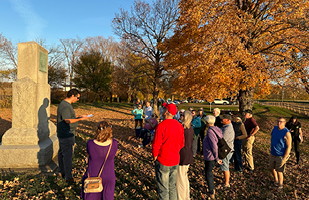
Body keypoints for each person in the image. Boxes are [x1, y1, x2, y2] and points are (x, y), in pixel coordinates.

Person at [152, 102, 185, 200]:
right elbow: (182, 143)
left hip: (163, 159)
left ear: (166, 112)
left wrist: (155, 156)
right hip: (175, 159)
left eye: (164, 109)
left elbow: (156, 143)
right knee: (172, 186)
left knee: (163, 188)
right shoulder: (179, 126)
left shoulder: (161, 126)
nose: (162, 111)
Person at [57, 89, 90, 183]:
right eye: (78, 97)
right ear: (73, 96)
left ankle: (61, 171)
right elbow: (67, 120)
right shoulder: (65, 106)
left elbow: (68, 118)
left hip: (63, 133)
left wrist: (78, 117)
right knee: (67, 155)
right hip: (67, 134)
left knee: (61, 153)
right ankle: (68, 177)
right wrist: (80, 119)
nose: (78, 99)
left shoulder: (64, 104)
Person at [81, 121, 118, 199]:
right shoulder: (114, 143)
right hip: (109, 176)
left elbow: (89, 154)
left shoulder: (90, 143)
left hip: (93, 176)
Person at [203, 115, 223, 199]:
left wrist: (217, 158)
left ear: (207, 122)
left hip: (211, 156)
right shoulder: (217, 129)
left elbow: (214, 146)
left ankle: (211, 191)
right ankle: (211, 190)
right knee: (209, 172)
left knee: (208, 173)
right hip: (212, 155)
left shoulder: (210, 131)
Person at [270, 117, 292, 189]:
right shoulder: (275, 128)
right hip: (273, 153)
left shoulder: (287, 133)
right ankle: (276, 180)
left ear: (284, 123)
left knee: (279, 171)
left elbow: (289, 146)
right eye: (278, 121)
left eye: (281, 122)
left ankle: (280, 185)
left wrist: (285, 157)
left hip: (281, 155)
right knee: (271, 168)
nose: (279, 123)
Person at [177, 111, 194, 200]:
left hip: (183, 154)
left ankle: (181, 197)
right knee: (184, 176)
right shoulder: (190, 128)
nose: (180, 116)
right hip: (188, 153)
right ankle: (186, 196)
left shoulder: (183, 129)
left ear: (185, 117)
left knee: (180, 179)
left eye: (182, 115)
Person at [220, 114, 235, 188]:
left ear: (228, 120)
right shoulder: (225, 126)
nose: (221, 120)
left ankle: (226, 183)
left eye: (223, 119)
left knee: (225, 167)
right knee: (224, 166)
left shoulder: (227, 129)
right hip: (226, 149)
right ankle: (225, 180)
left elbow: (222, 140)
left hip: (227, 150)